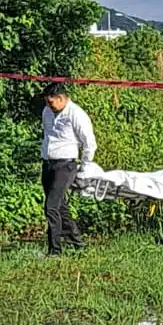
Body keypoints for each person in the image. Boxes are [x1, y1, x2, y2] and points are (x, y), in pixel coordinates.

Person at [40, 83, 95, 256]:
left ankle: (55, 251)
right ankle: (77, 243)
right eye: (47, 102)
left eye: (52, 102)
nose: (49, 106)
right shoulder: (47, 112)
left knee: (51, 207)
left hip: (66, 165)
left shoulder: (76, 114)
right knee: (60, 206)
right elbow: (47, 134)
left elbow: (89, 142)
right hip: (49, 163)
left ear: (62, 98)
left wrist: (84, 167)